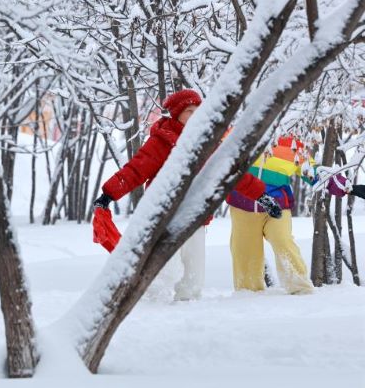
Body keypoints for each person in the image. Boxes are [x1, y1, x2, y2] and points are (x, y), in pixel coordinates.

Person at [91, 89, 276, 300]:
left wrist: (261, 196)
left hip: (196, 216)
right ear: (177, 113)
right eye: (189, 110)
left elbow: (230, 172)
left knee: (193, 276)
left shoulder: (208, 142)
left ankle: (186, 313)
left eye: (198, 111)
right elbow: (135, 170)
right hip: (165, 216)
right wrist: (108, 194)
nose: (194, 115)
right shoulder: (162, 140)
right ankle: (148, 304)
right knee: (167, 271)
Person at [227, 135, 360, 294]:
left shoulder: (291, 144)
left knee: (282, 240)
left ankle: (300, 288)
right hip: (243, 204)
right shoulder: (244, 132)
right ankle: (248, 294)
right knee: (245, 252)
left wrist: (346, 186)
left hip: (277, 207)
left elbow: (312, 171)